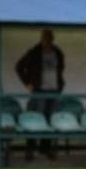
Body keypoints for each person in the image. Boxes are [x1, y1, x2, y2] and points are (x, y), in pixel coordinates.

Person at [15, 29, 65, 160]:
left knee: (50, 119)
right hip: (39, 91)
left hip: (54, 91)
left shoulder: (57, 52)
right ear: (41, 38)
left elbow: (61, 69)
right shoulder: (34, 52)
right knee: (35, 119)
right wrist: (27, 82)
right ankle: (30, 148)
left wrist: (60, 85)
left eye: (50, 37)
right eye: (45, 37)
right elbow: (19, 66)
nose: (48, 40)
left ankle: (45, 148)